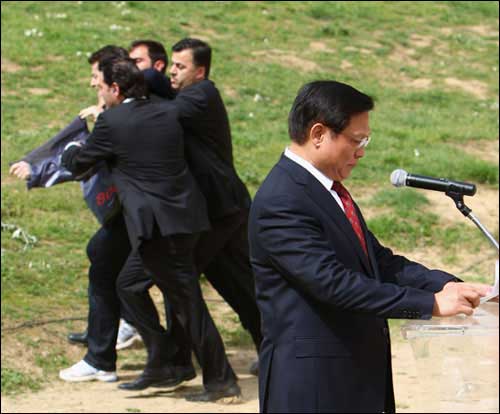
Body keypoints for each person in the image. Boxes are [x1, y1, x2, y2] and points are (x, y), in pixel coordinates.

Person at [248, 80, 492, 413]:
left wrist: (446, 285)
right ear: (318, 133)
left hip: (354, 378)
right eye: (356, 140)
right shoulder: (281, 199)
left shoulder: (328, 190)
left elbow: (378, 262)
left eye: (366, 140)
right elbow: (333, 283)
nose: (362, 151)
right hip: (314, 387)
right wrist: (430, 303)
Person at [61, 57, 241, 401]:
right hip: (186, 220)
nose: (99, 93)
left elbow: (80, 164)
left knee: (187, 304)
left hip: (159, 230)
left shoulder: (112, 121)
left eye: (102, 87)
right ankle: (165, 360)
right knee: (132, 286)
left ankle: (215, 379)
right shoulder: (167, 112)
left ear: (115, 89)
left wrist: (71, 147)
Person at [115, 39, 262, 386]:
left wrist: (129, 89)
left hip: (222, 210)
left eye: (181, 67)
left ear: (200, 71)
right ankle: (185, 360)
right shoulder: (183, 95)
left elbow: (162, 114)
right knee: (230, 284)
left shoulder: (201, 95)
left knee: (200, 283)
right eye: (172, 65)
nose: (173, 72)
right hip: (214, 212)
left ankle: (181, 362)